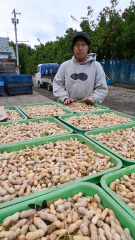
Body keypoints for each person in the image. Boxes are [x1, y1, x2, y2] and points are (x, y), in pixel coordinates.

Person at [53, 31, 108, 105]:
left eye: (83, 44)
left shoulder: (96, 66)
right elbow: (57, 85)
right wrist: (65, 98)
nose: (80, 48)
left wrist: (92, 99)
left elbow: (102, 89)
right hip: (69, 108)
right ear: (72, 48)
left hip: (89, 109)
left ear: (88, 47)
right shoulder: (65, 66)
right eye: (76, 45)